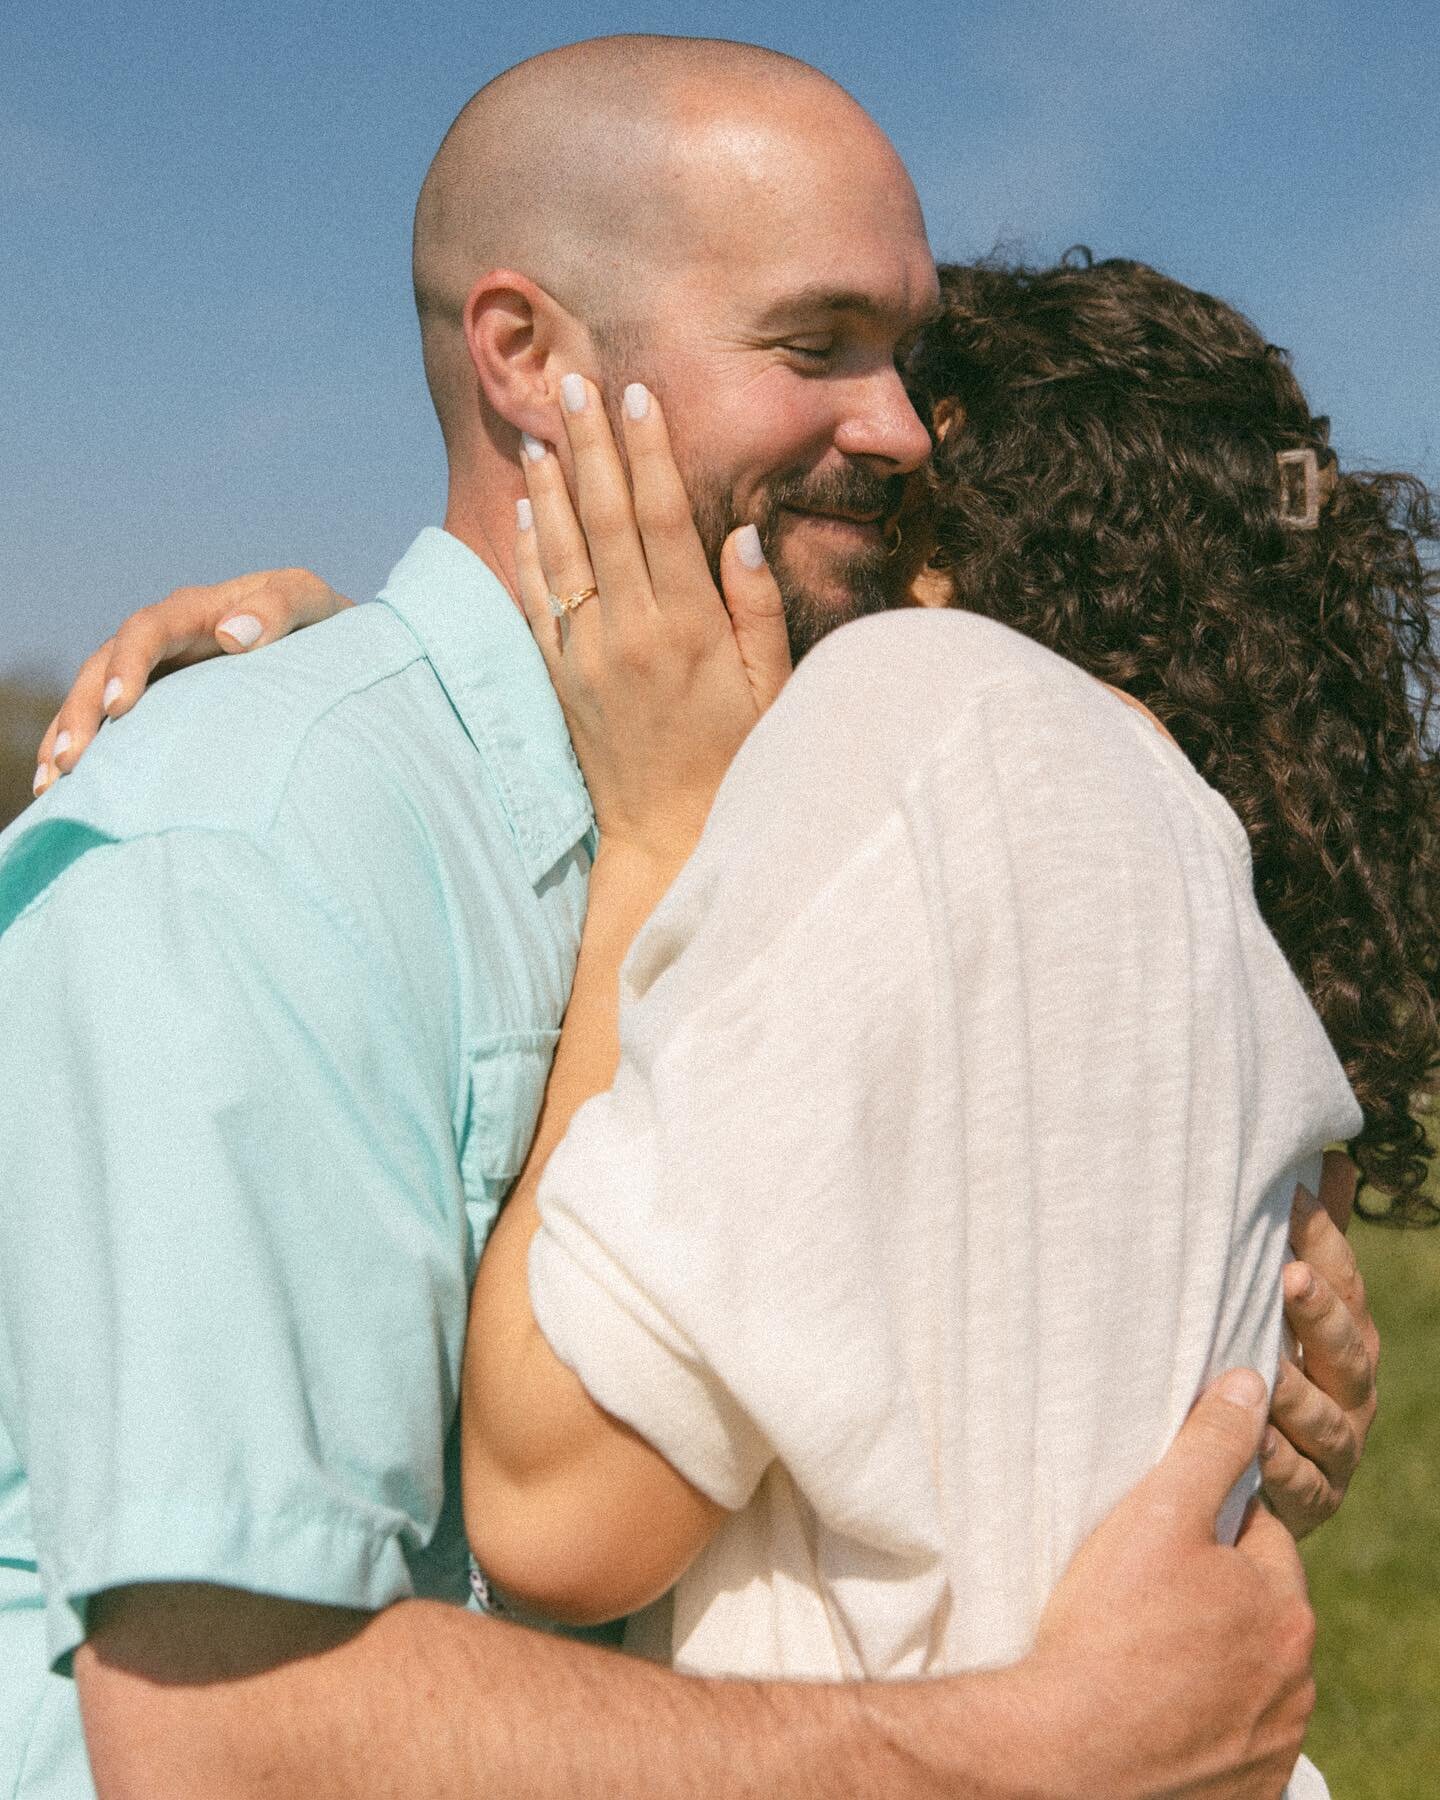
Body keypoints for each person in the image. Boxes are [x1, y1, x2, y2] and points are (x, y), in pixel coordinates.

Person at [0, 37, 1352, 1800]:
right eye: (818, 346)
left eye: (906, 356)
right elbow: (230, 1747)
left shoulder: (811, 804)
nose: (903, 428)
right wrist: (1050, 1753)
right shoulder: (248, 850)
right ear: (529, 356)